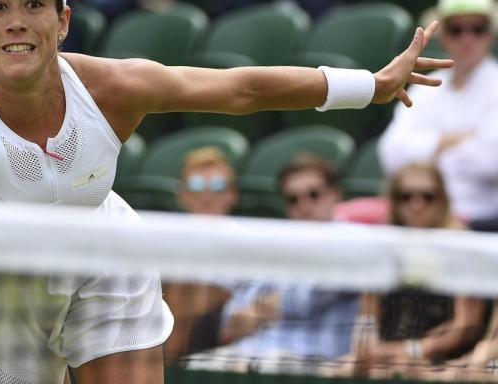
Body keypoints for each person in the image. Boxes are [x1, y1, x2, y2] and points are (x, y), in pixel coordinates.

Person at [0, 0, 449, 382]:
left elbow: (238, 87)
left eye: (32, 5)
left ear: (63, 18)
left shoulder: (114, 87)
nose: (15, 20)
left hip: (101, 250)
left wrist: (371, 86)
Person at [187, 154, 360, 375]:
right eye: (293, 199)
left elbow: (308, 297)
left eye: (313, 195)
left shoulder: (352, 238)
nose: (304, 205)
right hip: (250, 355)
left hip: (310, 361)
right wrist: (257, 310)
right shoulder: (278, 242)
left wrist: (258, 309)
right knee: (193, 367)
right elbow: (234, 317)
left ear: (335, 194)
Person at [345, 162, 488, 379]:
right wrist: (366, 347)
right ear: (394, 202)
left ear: (442, 201)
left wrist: (409, 351)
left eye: (427, 196)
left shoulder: (462, 246)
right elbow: (367, 315)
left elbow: (465, 328)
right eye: (406, 196)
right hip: (385, 353)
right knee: (337, 369)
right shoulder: (384, 245)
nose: (417, 204)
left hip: (440, 360)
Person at [379, 0, 498, 231]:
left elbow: (491, 161)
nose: (467, 38)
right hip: (417, 212)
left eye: (478, 29)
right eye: (456, 29)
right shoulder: (422, 89)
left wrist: (425, 150)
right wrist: (446, 142)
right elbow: (390, 155)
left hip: (478, 220)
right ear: (443, 36)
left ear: (490, 34)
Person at [162, 147, 235, 360]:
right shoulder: (165, 241)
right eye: (195, 185)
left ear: (232, 194)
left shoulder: (250, 241)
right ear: (182, 194)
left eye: (217, 186)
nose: (206, 195)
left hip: (222, 338)